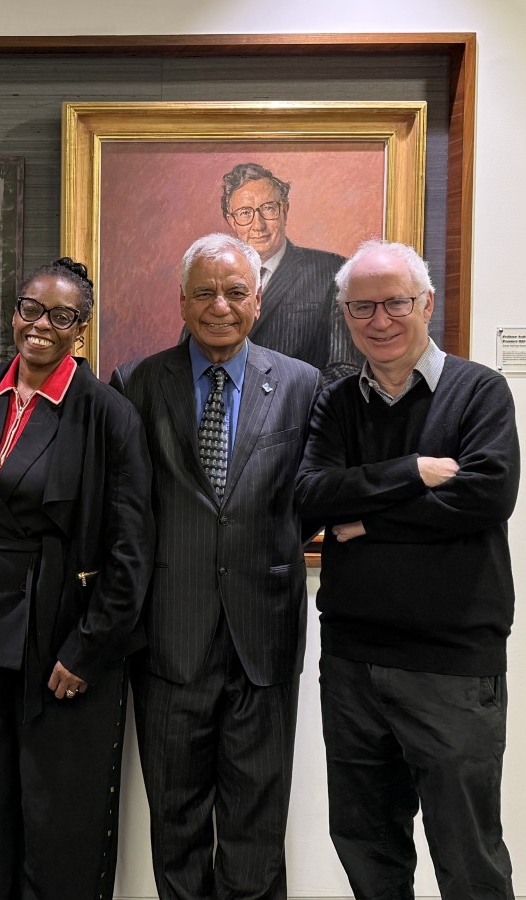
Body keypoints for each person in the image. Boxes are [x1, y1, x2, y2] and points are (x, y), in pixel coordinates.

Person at [295, 240, 517, 899]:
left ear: (424, 303)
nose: (380, 319)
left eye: (395, 302)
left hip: (452, 664)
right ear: (344, 314)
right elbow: (309, 496)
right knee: (368, 850)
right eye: (362, 306)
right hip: (354, 662)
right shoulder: (337, 403)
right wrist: (412, 473)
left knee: (467, 854)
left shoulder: (480, 392)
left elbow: (485, 496)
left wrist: (365, 519)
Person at [110, 233, 318, 900]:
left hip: (264, 634)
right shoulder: (139, 383)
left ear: (258, 300)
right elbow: (128, 512)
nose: (219, 305)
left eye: (234, 291)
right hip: (171, 637)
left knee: (258, 824)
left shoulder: (300, 384)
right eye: (204, 291)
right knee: (177, 822)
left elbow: (313, 494)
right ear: (181, 301)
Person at [0, 257, 154, 899]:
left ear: (81, 330)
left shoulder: (107, 412)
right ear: (14, 313)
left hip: (63, 631)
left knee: (59, 806)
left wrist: (90, 645)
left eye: (61, 316)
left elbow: (132, 546)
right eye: (30, 309)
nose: (41, 325)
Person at [220, 162, 361, 383]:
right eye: (245, 213)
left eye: (268, 208)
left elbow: (345, 370)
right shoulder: (215, 275)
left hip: (299, 413)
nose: (258, 225)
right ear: (232, 221)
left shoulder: (332, 271)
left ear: (284, 210)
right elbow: (187, 361)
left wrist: (281, 398)